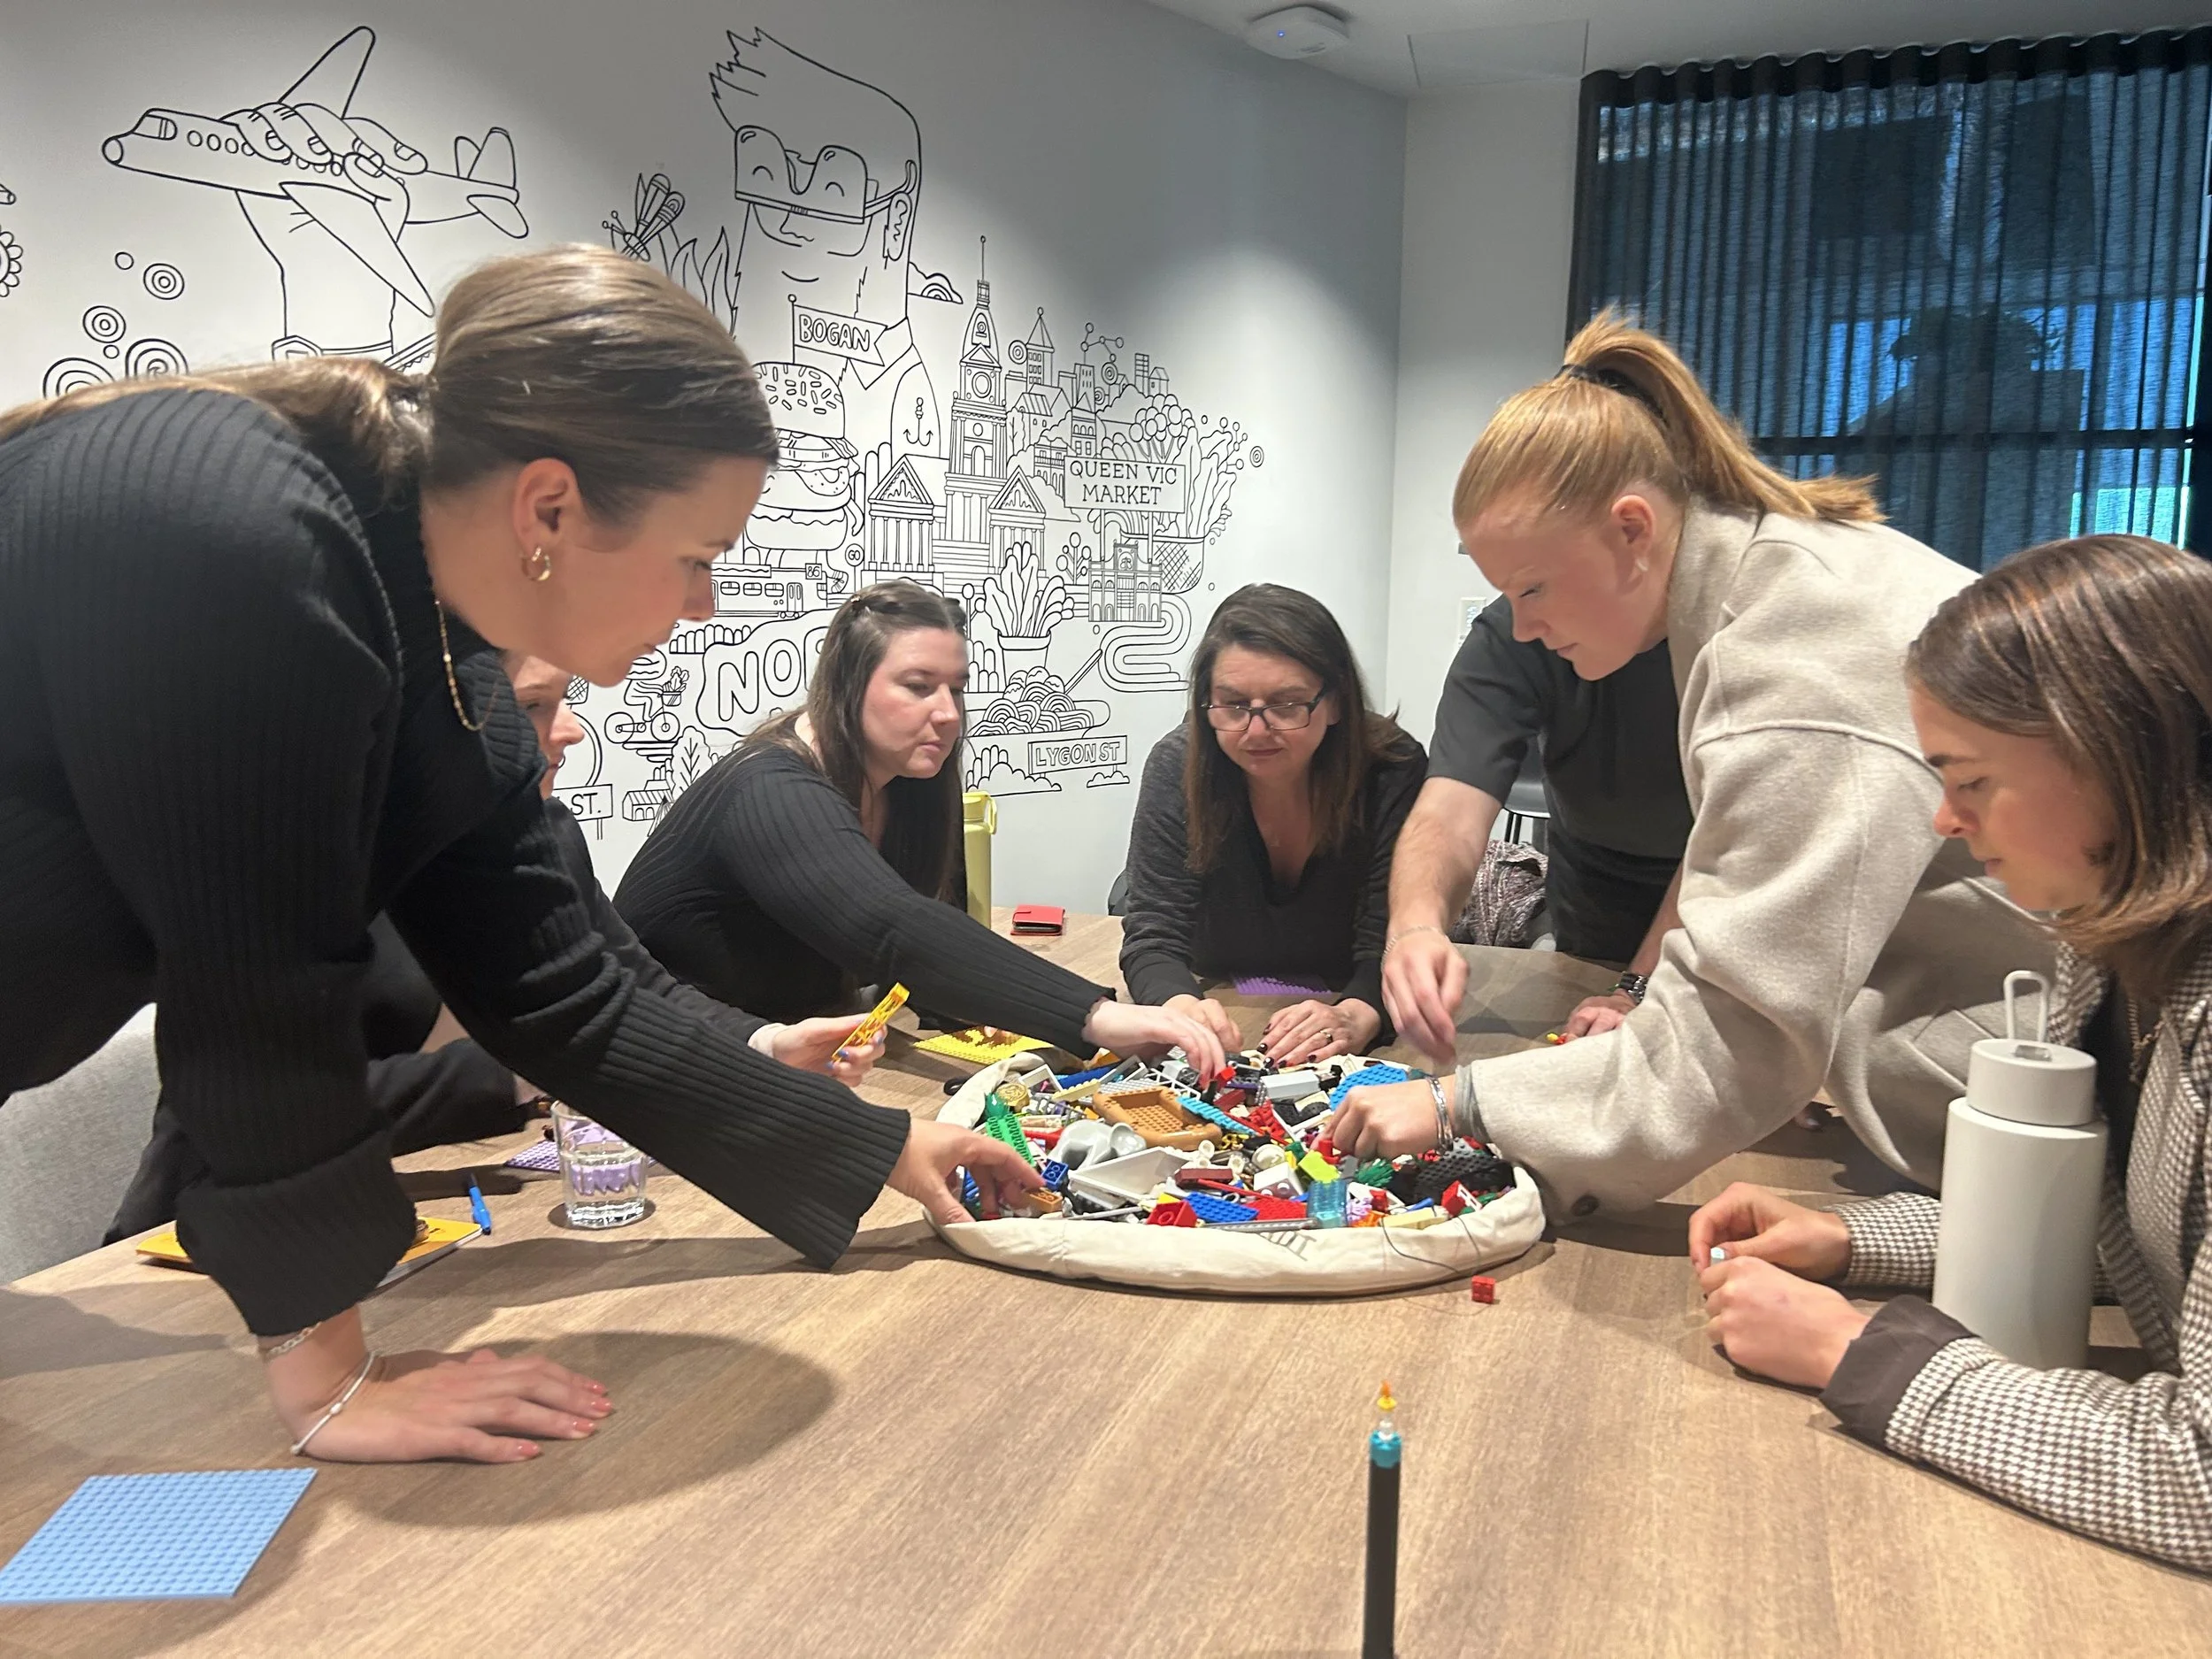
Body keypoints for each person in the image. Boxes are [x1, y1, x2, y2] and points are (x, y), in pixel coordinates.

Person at [0, 245, 1036, 1465]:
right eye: (698, 557)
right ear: (550, 509)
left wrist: (883, 1148)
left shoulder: (445, 655)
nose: (703, 606)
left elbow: (565, 993)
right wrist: (335, 1378)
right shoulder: (236, 526)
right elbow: (260, 988)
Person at [1333, 311, 2045, 1221]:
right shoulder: (1766, 579)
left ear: (1632, 529)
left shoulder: (1791, 654)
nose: (1523, 625)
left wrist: (1456, 1104)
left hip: (2049, 1107)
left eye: (1533, 588)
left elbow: (1731, 1041)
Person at [1693, 534, 2212, 1573]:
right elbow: (2127, 1240)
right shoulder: (2108, 949)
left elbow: (2196, 1481)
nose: (1945, 819)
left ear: (2119, 753)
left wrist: (1857, 1351)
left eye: (1971, 779)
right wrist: (1853, 1240)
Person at [103, 654, 885, 1240]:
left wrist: (767, 1044)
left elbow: (635, 986)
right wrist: (541, 1055)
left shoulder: (546, 836)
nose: (571, 730)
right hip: (212, 1239)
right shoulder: (294, 866)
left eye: (564, 701)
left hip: (414, 1220)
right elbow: (268, 1106)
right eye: (535, 705)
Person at [615, 582, 1227, 1078]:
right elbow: (893, 927)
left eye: (956, 689)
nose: (947, 712)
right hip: (676, 1058)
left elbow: (931, 939)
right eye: (917, 686)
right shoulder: (768, 785)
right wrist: (1097, 1016)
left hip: (812, 1051)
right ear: (848, 686)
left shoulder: (912, 779)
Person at [1118, 584, 1425, 1064]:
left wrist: (1357, 1014)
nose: (1256, 731)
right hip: (1219, 993)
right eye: (1233, 705)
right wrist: (1180, 1009)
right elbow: (1153, 936)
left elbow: (1393, 938)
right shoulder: (1177, 764)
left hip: (1349, 999)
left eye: (1287, 705)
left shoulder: (1392, 769)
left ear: (1336, 702)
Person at [1388, 593, 1692, 1041]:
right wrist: (1416, 927)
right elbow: (1450, 809)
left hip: (1724, 877)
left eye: (1536, 584)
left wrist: (1636, 986)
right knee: (1594, 1037)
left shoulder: (1731, 624)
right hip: (1592, 871)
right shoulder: (1509, 628)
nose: (1525, 625)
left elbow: (1729, 841)